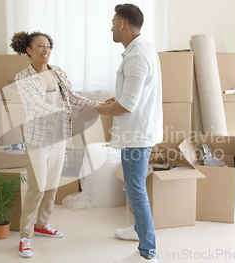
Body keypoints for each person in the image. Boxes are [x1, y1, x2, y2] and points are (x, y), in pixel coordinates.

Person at [10, 31, 104, 258]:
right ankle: (25, 237)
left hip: (59, 137)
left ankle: (42, 224)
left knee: (52, 184)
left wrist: (101, 104)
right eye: (40, 46)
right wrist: (69, 114)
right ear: (28, 49)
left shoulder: (58, 72)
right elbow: (36, 107)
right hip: (38, 140)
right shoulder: (23, 77)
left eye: (48, 46)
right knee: (37, 187)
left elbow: (74, 97)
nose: (46, 50)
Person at [87, 4, 163, 263]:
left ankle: (147, 252)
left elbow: (128, 106)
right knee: (133, 188)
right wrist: (115, 99)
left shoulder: (137, 56)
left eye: (112, 22)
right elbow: (133, 96)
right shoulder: (141, 49)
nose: (110, 27)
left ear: (121, 24)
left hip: (137, 134)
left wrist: (97, 110)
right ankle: (137, 231)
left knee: (135, 189)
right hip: (138, 131)